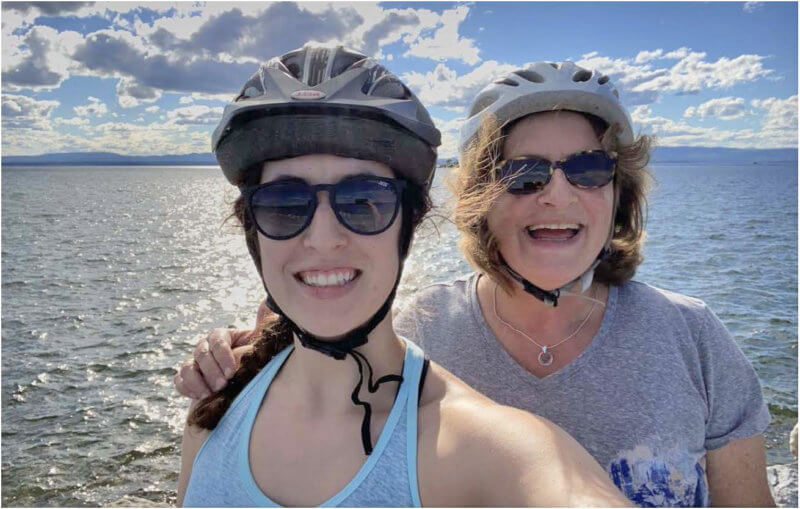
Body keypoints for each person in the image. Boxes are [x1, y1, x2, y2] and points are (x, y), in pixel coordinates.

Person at [176, 59, 774, 507]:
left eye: (589, 169)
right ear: (481, 201)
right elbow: (329, 312)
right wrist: (244, 352)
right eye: (524, 173)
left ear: (620, 194)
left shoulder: (692, 338)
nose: (557, 194)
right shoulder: (417, 327)